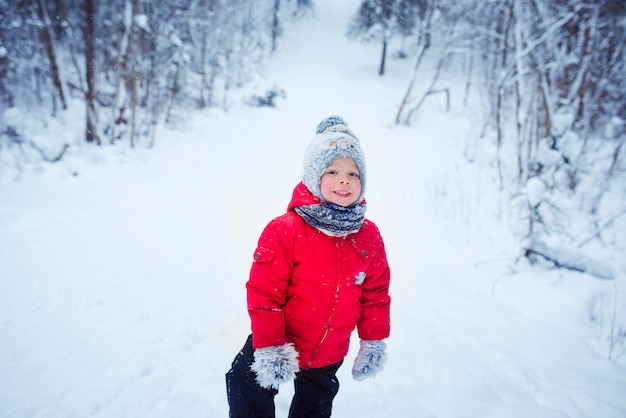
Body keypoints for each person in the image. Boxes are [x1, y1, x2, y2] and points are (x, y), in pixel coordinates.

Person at [226, 115, 391, 417]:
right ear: (314, 177)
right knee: (244, 383)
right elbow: (264, 293)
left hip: (330, 348)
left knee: (314, 405)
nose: (344, 180)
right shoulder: (285, 230)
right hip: (281, 337)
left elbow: (376, 293)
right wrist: (271, 346)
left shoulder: (368, 236)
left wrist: (372, 340)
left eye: (353, 174)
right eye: (332, 171)